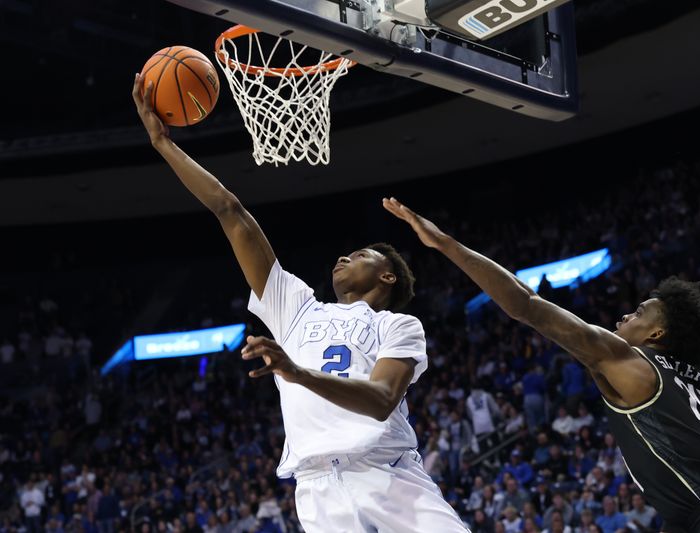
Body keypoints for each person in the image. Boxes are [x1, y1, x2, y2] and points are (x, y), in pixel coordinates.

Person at [132, 76, 467, 533]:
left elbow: (383, 400)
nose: (343, 257)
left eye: (360, 254)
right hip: (317, 491)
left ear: (387, 275)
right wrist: (162, 144)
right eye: (343, 254)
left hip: (388, 477)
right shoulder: (297, 308)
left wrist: (297, 373)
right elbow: (231, 212)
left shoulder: (398, 324)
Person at [384, 197, 700, 533]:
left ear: (656, 335)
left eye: (638, 313)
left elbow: (527, 305)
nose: (623, 319)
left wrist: (446, 244)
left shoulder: (630, 362)